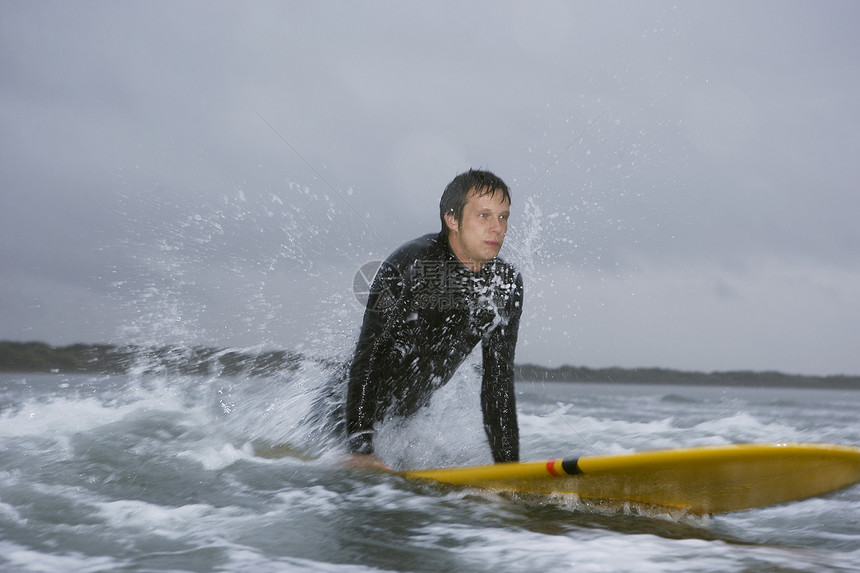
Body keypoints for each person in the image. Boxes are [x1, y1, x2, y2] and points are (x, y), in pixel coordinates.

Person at [345, 169, 524, 469]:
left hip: (402, 422)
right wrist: (360, 447)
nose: (498, 229)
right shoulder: (412, 265)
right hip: (345, 415)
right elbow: (369, 355)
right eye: (484, 216)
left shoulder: (504, 285)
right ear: (452, 219)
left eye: (503, 217)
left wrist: (509, 470)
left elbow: (498, 384)